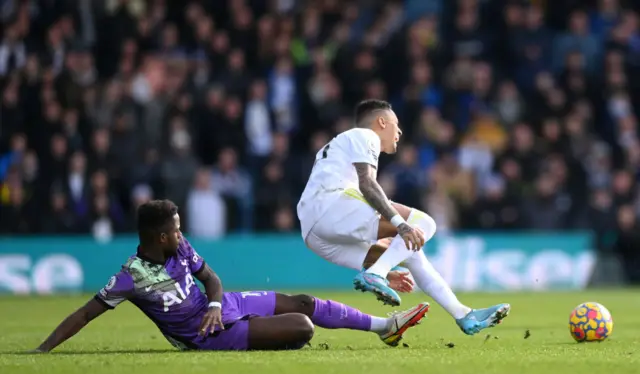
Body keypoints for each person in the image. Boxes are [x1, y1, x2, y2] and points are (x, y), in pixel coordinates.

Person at [32, 200, 430, 353]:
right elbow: (85, 314)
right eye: (174, 230)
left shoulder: (181, 248)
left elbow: (212, 280)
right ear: (158, 237)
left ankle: (385, 327)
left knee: (304, 301)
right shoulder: (130, 278)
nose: (181, 234)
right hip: (204, 334)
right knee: (303, 327)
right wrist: (43, 350)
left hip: (220, 307)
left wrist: (218, 303)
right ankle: (264, 335)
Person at [296, 99, 510, 335]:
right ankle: (376, 274)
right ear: (381, 122)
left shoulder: (336, 147)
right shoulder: (364, 135)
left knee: (412, 252)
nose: (399, 132)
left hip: (313, 234)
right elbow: (367, 184)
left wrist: (388, 270)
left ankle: (463, 314)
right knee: (423, 224)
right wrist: (400, 225)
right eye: (395, 125)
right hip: (332, 207)